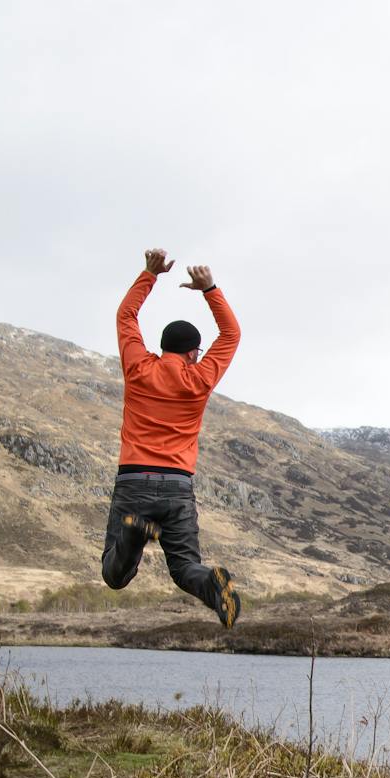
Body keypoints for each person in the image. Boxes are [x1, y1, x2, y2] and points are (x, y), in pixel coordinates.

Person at [100, 247, 242, 627]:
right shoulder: (199, 378)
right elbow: (231, 334)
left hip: (133, 481)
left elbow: (125, 316)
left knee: (114, 576)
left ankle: (133, 537)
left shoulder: (138, 367)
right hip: (178, 487)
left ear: (162, 346)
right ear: (195, 353)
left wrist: (149, 274)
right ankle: (212, 587)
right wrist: (209, 289)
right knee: (184, 569)